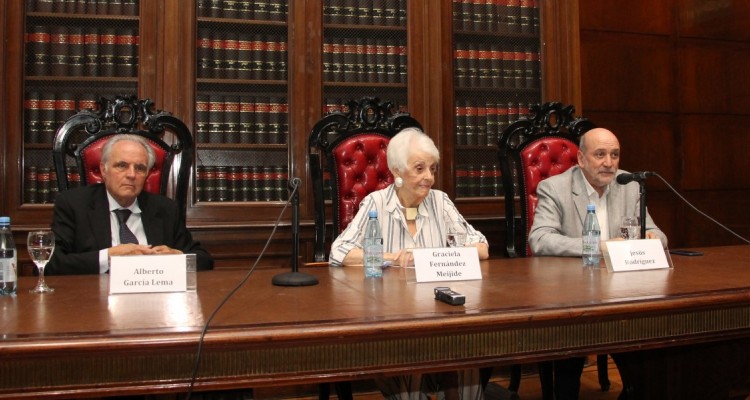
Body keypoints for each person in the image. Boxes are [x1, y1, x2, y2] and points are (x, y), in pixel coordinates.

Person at [330, 127, 489, 400]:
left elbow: (482, 247)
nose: (429, 177)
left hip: (442, 313)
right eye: (419, 168)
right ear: (396, 171)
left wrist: (437, 256)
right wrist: (394, 258)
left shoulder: (441, 202)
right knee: (406, 353)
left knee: (468, 352)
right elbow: (339, 252)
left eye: (432, 168)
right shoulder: (376, 203)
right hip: (393, 315)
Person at [528, 127, 667, 400]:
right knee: (568, 357)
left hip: (622, 291)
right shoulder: (554, 187)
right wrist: (600, 247)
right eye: (600, 154)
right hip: (571, 293)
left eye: (614, 155)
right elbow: (540, 239)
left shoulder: (630, 186)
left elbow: (659, 235)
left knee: (652, 352)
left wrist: (650, 239)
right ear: (580, 159)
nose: (609, 163)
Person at [48, 134, 213, 275]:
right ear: (104, 170)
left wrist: (177, 258)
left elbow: (204, 260)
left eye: (140, 168)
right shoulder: (74, 204)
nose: (131, 175)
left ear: (147, 174)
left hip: (156, 302)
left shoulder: (165, 209)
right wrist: (109, 257)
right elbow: (51, 263)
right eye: (122, 165)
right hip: (94, 302)